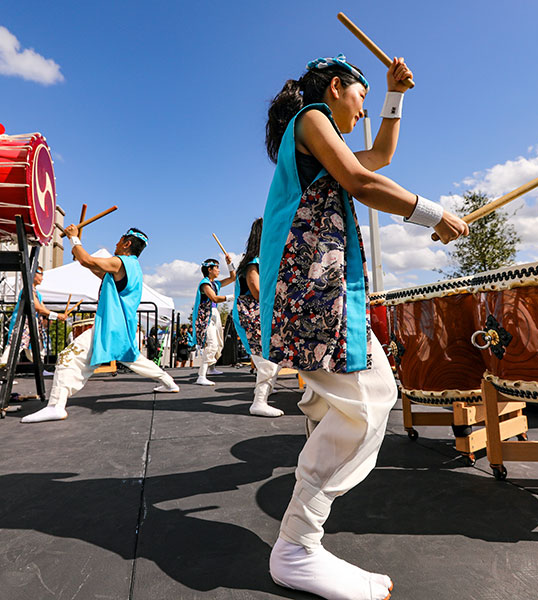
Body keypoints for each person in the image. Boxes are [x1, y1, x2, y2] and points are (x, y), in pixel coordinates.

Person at [260, 54, 468, 599]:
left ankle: (302, 541)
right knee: (372, 397)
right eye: (361, 97)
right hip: (312, 287)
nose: (362, 110)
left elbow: (376, 159)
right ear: (335, 87)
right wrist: (432, 213)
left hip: (317, 285)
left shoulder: (317, 129)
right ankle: (296, 544)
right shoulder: (311, 117)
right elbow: (359, 179)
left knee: (343, 401)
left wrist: (394, 98)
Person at [21, 225, 180, 424]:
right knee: (134, 359)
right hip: (121, 327)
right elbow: (92, 266)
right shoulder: (132, 267)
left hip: (111, 326)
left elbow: (89, 260)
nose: (115, 244)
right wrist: (80, 255)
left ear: (126, 243)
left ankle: (55, 406)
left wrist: (73, 239)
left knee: (69, 357)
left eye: (118, 241)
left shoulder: (121, 262)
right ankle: (169, 382)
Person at [232, 218, 283, 417]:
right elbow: (256, 292)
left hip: (256, 314)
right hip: (250, 315)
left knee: (271, 357)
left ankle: (263, 392)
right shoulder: (253, 263)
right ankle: (259, 401)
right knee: (267, 359)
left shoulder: (257, 261)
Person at [0, 265, 67, 366]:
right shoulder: (27, 291)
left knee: (36, 350)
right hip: (22, 323)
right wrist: (58, 316)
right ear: (33, 274)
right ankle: (1, 373)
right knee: (13, 348)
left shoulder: (37, 294)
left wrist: (57, 317)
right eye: (41, 274)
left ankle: (41, 369)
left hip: (32, 324)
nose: (42, 278)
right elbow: (38, 308)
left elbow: (43, 310)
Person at [188, 256, 236, 385]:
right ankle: (201, 376)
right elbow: (214, 298)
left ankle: (211, 368)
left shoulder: (215, 283)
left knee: (219, 343)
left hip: (215, 314)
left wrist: (229, 264)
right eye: (217, 267)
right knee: (212, 344)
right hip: (205, 316)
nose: (219, 270)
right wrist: (232, 297)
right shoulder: (205, 284)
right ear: (209, 269)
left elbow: (233, 278)